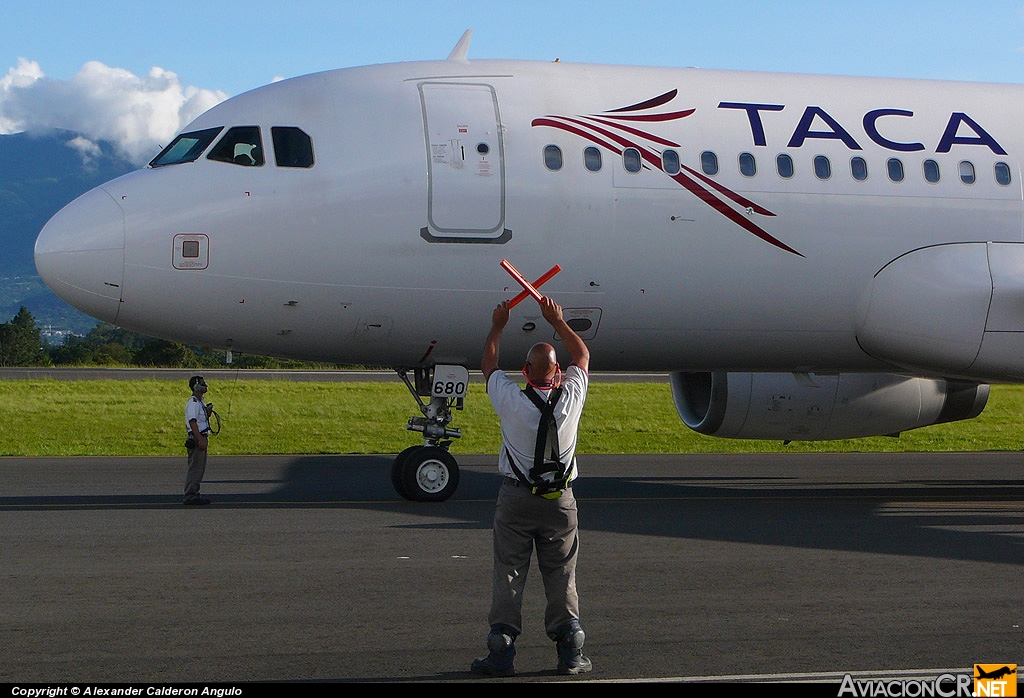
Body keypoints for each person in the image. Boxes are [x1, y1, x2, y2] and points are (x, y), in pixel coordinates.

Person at [472, 296, 592, 677]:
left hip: (516, 500)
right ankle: (570, 648)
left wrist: (498, 325)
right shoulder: (571, 397)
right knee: (562, 573)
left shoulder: (510, 400)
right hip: (561, 502)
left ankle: (501, 648)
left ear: (525, 371)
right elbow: (582, 356)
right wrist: (557, 322)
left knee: (509, 571)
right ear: (557, 374)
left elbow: (489, 364)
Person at [183, 375, 212, 505]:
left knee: (199, 468)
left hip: (201, 435)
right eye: (203, 383)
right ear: (196, 386)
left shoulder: (200, 402)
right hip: (197, 436)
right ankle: (191, 495)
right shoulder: (193, 403)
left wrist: (207, 413)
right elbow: (193, 421)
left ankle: (194, 493)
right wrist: (200, 439)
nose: (205, 385)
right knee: (195, 468)